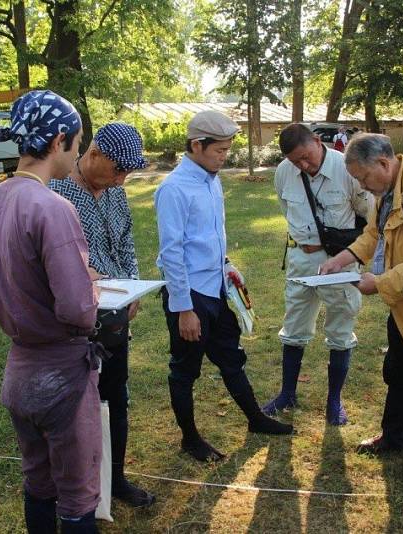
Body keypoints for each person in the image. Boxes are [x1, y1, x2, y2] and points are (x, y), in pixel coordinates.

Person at [0, 90, 102, 534]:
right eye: (79, 141)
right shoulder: (53, 206)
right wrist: (93, 290)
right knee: (78, 494)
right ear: (59, 139)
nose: (79, 152)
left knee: (38, 481)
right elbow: (77, 310)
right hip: (61, 375)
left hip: (19, 371)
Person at [155, 110, 293, 463]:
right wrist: (183, 308)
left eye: (228, 150)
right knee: (185, 370)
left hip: (216, 288)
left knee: (231, 357)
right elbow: (171, 253)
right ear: (197, 145)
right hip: (190, 296)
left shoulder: (211, 179)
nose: (224, 157)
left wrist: (226, 267)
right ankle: (189, 439)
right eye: (219, 150)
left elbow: (210, 236)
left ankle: (255, 419)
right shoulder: (173, 188)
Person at [318, 133, 403, 480]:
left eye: (364, 178)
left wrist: (379, 284)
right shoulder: (386, 192)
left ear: (383, 163)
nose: (363, 186)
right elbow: (373, 235)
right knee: (399, 371)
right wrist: (342, 259)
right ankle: (395, 438)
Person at [49, 123, 155, 508]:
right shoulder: (56, 195)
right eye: (118, 170)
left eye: (128, 172)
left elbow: (126, 242)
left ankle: (115, 480)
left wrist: (132, 287)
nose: (122, 179)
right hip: (75, 324)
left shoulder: (115, 194)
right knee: (76, 409)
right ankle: (77, 490)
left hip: (115, 318)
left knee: (116, 398)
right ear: (93, 154)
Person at [262, 123, 373, 425]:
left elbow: (369, 215)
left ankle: (334, 400)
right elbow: (288, 210)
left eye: (305, 157)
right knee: (294, 324)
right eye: (294, 161)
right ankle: (287, 394)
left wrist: (348, 254)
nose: (302, 165)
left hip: (340, 259)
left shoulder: (347, 168)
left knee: (340, 326)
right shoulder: (284, 172)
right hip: (301, 258)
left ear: (316, 141)